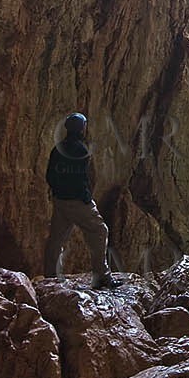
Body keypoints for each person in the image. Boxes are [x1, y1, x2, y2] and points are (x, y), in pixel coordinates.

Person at [44, 112, 119, 289]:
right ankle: (102, 275)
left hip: (60, 200)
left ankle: (50, 277)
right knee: (100, 231)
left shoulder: (58, 148)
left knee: (56, 239)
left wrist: (58, 192)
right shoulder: (80, 150)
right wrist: (85, 198)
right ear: (81, 129)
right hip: (77, 201)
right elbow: (81, 179)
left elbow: (50, 175)